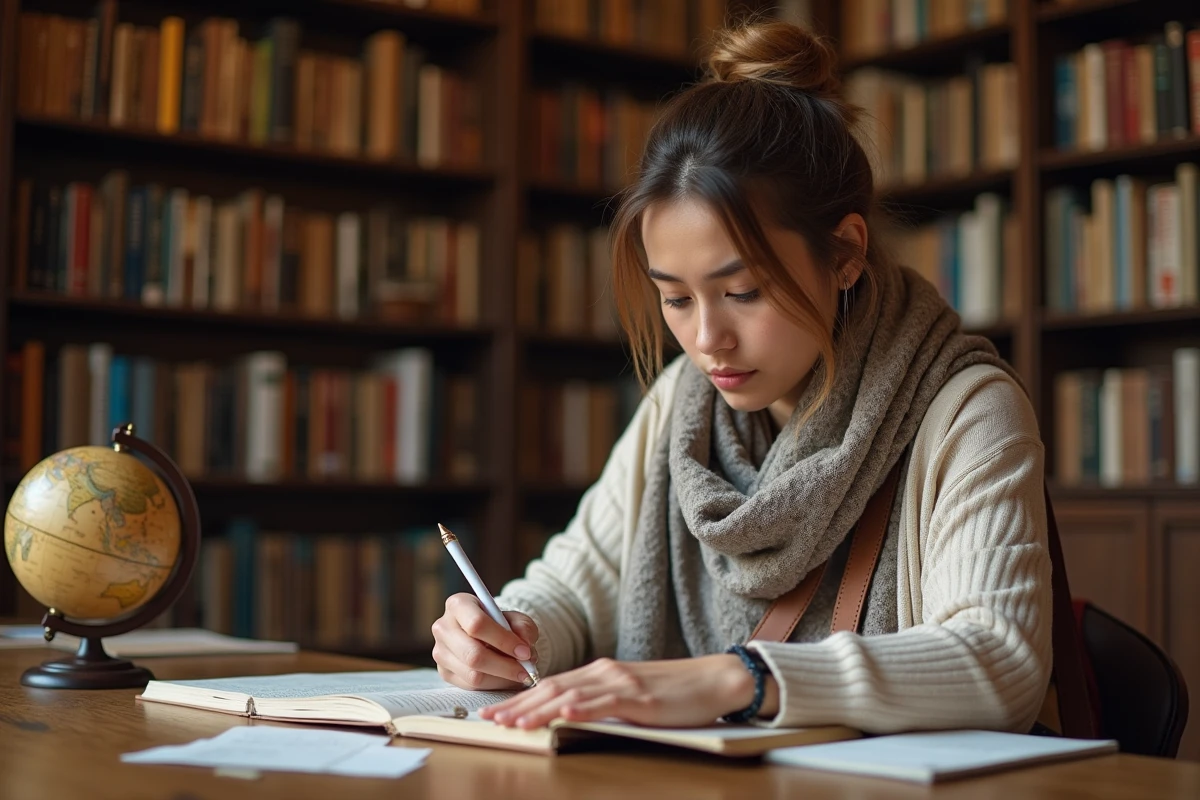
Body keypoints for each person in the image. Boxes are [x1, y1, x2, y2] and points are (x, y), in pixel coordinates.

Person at [431, 19, 1054, 735]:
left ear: (846, 252)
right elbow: (574, 588)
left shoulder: (966, 410)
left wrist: (738, 678)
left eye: (745, 291)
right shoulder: (683, 409)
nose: (706, 339)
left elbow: (999, 661)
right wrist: (507, 632)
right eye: (675, 297)